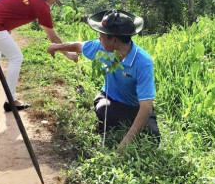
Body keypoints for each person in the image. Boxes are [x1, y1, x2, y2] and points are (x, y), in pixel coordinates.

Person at [47, 9, 160, 152]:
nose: (99, 38)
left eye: (101, 35)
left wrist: (125, 143)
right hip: (111, 99)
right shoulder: (101, 48)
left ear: (114, 39)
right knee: (104, 110)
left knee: (153, 138)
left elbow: (146, 106)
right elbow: (78, 46)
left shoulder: (142, 62)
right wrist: (56, 47)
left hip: (134, 106)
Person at [0, 0, 77, 111]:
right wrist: (69, 55)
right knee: (16, 57)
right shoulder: (41, 6)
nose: (57, 0)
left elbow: (5, 6)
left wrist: (5, 26)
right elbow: (53, 38)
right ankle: (10, 101)